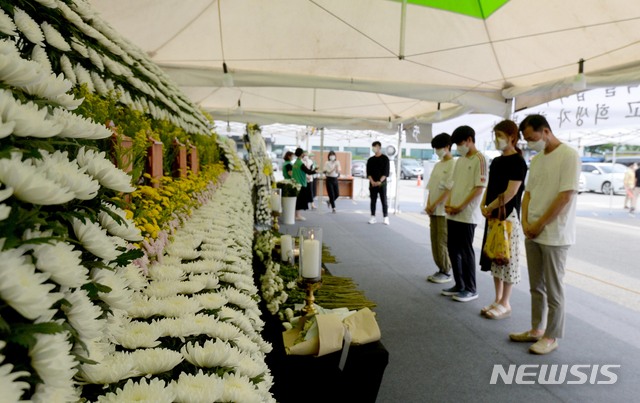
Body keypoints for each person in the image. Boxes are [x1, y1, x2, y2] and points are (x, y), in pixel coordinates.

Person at [509, 114, 580, 355]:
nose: (529, 143)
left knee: (554, 288)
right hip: (533, 231)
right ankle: (536, 329)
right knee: (536, 286)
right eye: (526, 140)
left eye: (531, 138)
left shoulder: (569, 155)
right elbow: (527, 194)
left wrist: (539, 224)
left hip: (555, 235)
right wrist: (526, 221)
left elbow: (565, 196)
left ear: (546, 131)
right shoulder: (537, 159)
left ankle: (552, 336)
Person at [479, 120, 528, 319]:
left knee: (507, 259)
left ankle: (505, 302)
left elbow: (511, 193)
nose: (497, 140)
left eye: (500, 136)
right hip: (493, 215)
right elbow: (490, 187)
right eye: (495, 136)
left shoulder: (518, 162)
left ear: (512, 138)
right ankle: (497, 298)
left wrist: (490, 207)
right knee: (494, 256)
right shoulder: (497, 161)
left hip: (508, 216)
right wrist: (484, 205)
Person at [441, 126, 487, 302]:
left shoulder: (480, 159)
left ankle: (471, 288)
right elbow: (453, 184)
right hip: (453, 211)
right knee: (453, 249)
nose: (459, 147)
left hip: (468, 214)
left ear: (469, 140)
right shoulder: (460, 161)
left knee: (466, 250)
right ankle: (459, 284)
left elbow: (479, 188)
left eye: (460, 143)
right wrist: (450, 204)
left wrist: (460, 206)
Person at [425, 133, 455, 284]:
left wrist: (435, 204)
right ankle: (440, 268)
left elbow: (449, 190)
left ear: (448, 147)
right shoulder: (438, 165)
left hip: (443, 211)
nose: (437, 150)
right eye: (435, 148)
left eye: (439, 147)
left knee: (442, 240)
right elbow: (431, 187)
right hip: (433, 209)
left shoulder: (453, 165)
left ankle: (446, 270)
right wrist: (428, 204)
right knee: (434, 240)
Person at [367, 141, 390, 225]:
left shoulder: (385, 159)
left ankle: (386, 217)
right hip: (372, 183)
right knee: (373, 200)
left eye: (375, 146)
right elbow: (368, 173)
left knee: (384, 200)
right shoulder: (370, 160)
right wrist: (372, 181)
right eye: (373, 147)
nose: (374, 148)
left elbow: (386, 172)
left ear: (379, 147)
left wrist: (380, 181)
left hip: (382, 183)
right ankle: (373, 217)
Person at [292, 148, 317, 221]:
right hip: (300, 184)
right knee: (300, 201)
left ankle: (296, 215)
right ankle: (298, 215)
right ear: (301, 154)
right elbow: (308, 172)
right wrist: (315, 171)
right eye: (303, 153)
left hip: (295, 183)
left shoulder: (295, 162)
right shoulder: (300, 163)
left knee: (297, 200)